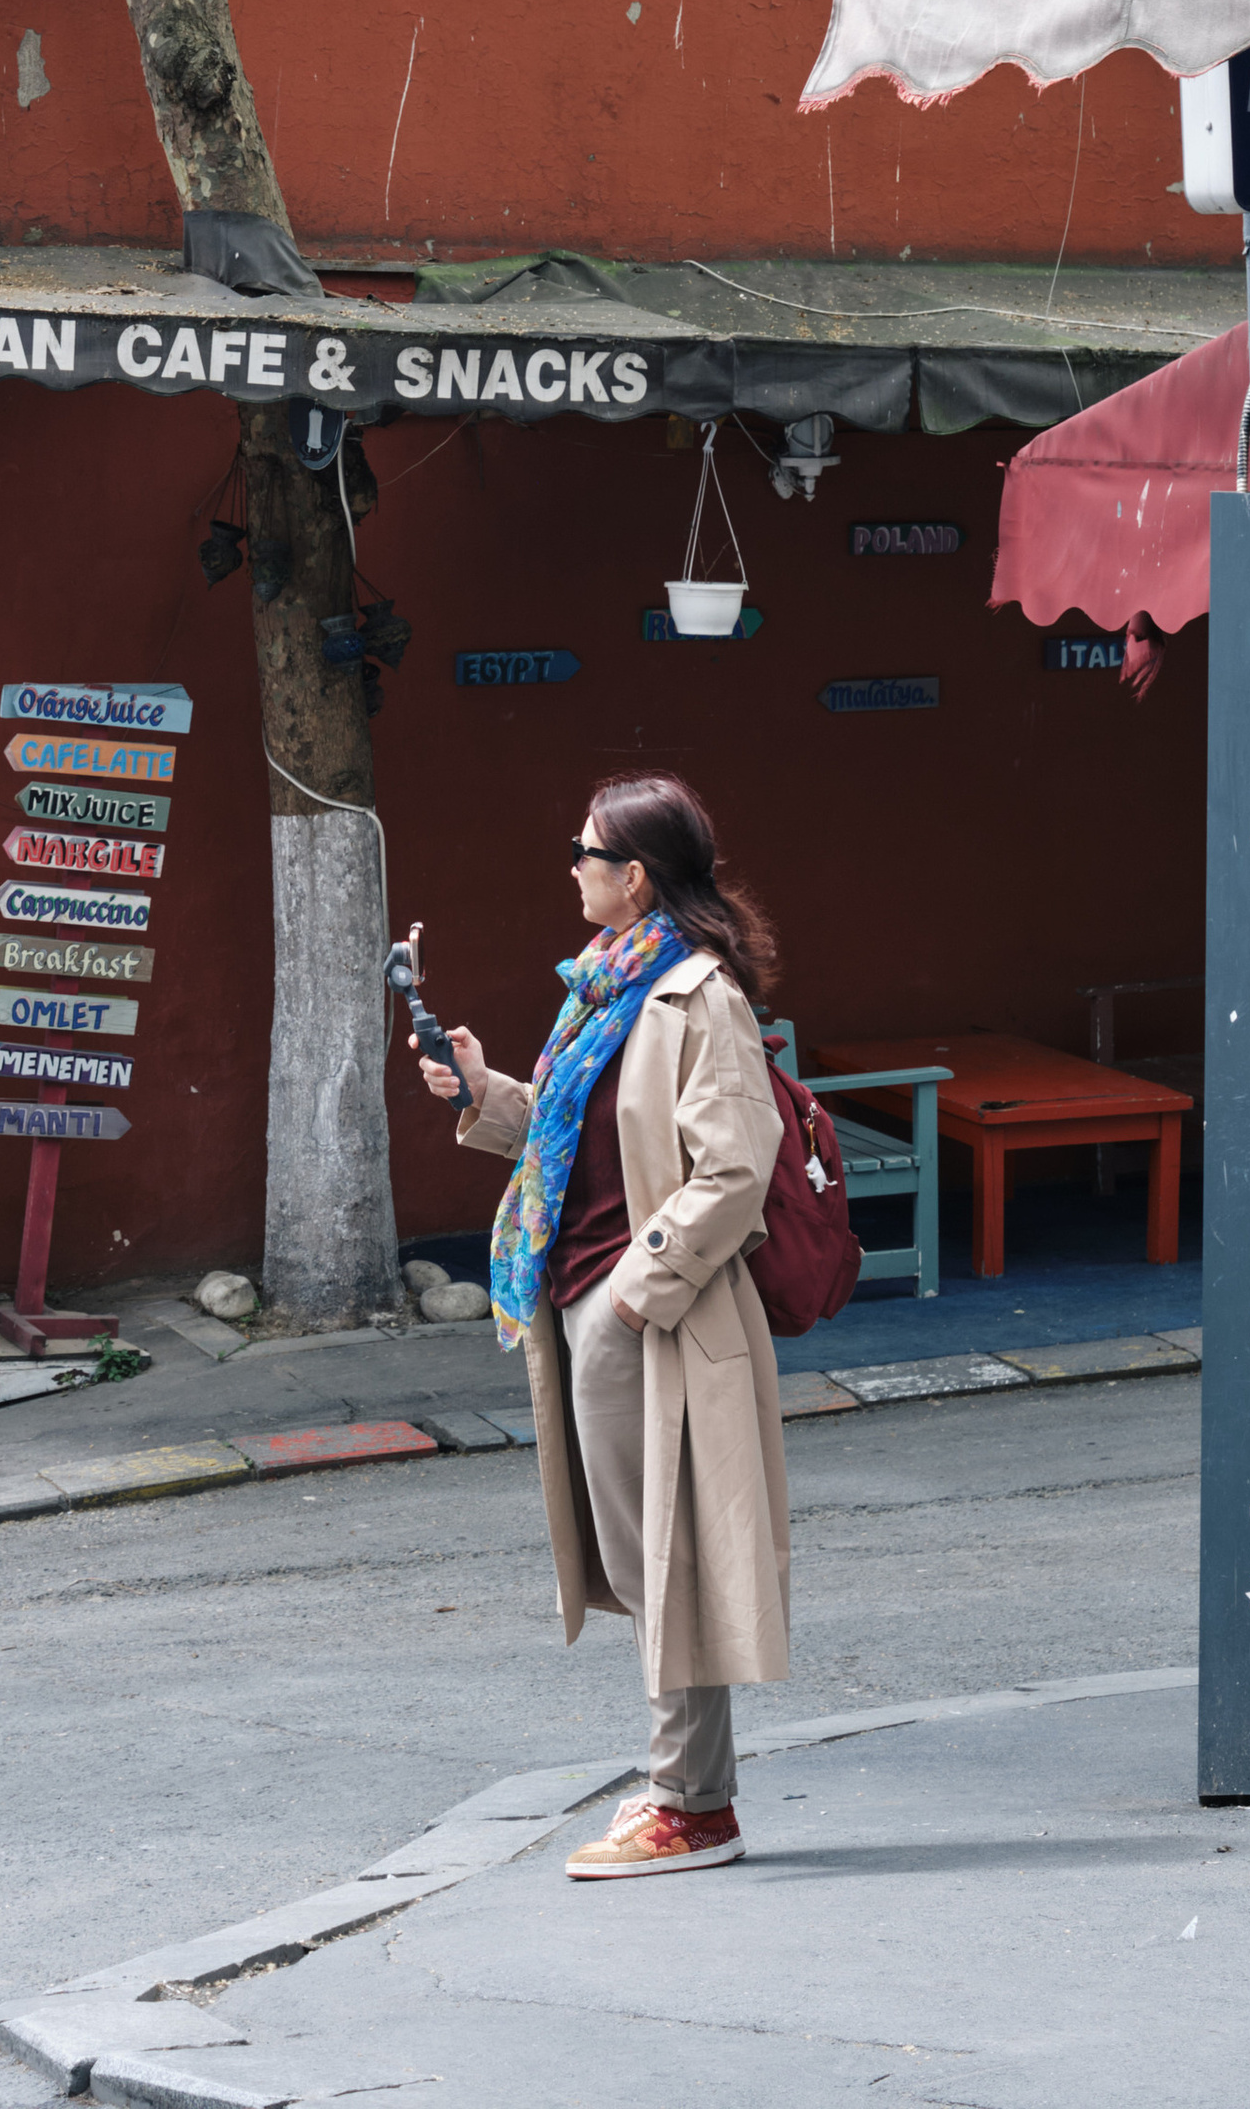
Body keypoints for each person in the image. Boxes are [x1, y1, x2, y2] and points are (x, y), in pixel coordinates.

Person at [415, 770, 788, 1881]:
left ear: (633, 877)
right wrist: (482, 1094)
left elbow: (734, 1169)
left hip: (644, 1314)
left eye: (584, 852)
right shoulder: (608, 990)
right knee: (638, 1549)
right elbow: (574, 1144)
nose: (569, 867)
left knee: (667, 1553)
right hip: (581, 1300)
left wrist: (635, 1292)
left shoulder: (696, 996)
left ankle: (690, 1803)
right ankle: (686, 1789)